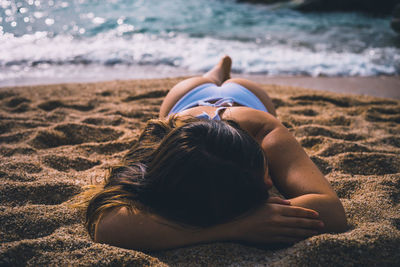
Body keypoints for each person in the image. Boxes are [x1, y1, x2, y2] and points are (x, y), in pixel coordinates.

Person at [81, 56, 347, 251]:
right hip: (188, 98)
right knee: (206, 80)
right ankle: (217, 71)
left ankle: (222, 68)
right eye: (259, 181)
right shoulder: (166, 149)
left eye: (264, 169)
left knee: (223, 79)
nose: (269, 183)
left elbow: (332, 211)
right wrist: (236, 227)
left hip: (244, 98)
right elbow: (108, 225)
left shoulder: (264, 132)